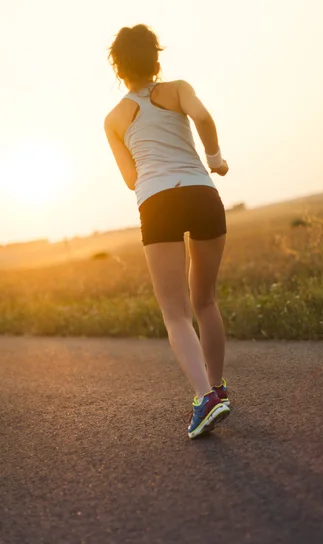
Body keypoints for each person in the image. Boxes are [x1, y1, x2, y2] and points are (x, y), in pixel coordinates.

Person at [105, 24, 230, 439]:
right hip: (201, 191)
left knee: (175, 313)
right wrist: (214, 157)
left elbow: (130, 178)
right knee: (205, 301)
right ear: (156, 61)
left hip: (157, 201)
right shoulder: (178, 88)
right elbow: (205, 117)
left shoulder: (114, 119)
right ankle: (217, 388)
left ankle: (204, 399)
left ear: (119, 70)